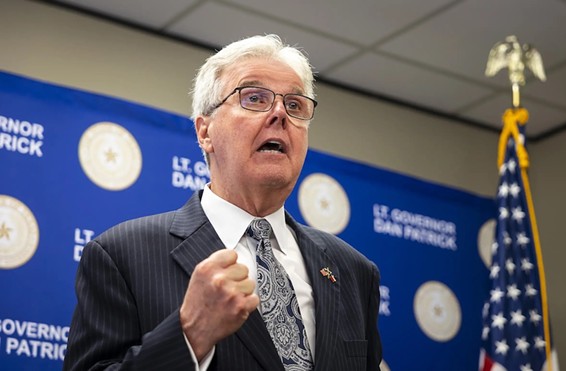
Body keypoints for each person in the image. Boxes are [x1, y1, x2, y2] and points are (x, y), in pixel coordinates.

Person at [63, 34, 382, 371]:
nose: (279, 114)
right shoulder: (121, 255)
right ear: (205, 132)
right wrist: (191, 334)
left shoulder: (354, 271)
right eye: (255, 98)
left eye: (294, 105)